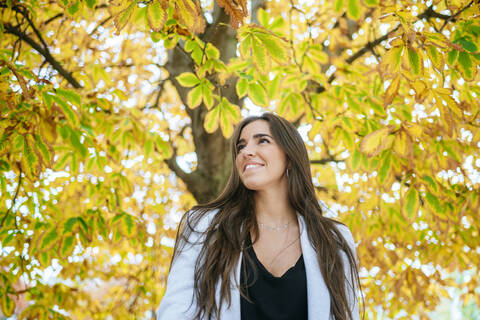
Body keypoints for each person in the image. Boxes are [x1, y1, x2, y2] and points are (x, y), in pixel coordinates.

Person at [157, 113, 361, 320]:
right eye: (241, 147)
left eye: (262, 140)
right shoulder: (205, 226)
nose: (247, 152)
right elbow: (175, 310)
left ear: (289, 156)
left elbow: (345, 314)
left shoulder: (334, 238)